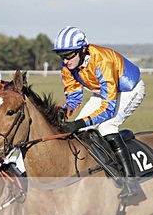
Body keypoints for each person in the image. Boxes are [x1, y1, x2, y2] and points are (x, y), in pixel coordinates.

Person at [52, 26, 146, 198]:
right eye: (62, 56)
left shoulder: (102, 60)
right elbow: (74, 97)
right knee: (78, 131)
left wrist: (80, 122)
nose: (65, 61)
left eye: (69, 55)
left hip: (128, 89)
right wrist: (62, 113)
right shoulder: (67, 67)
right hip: (102, 91)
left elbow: (109, 108)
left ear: (82, 50)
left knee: (107, 126)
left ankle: (131, 183)